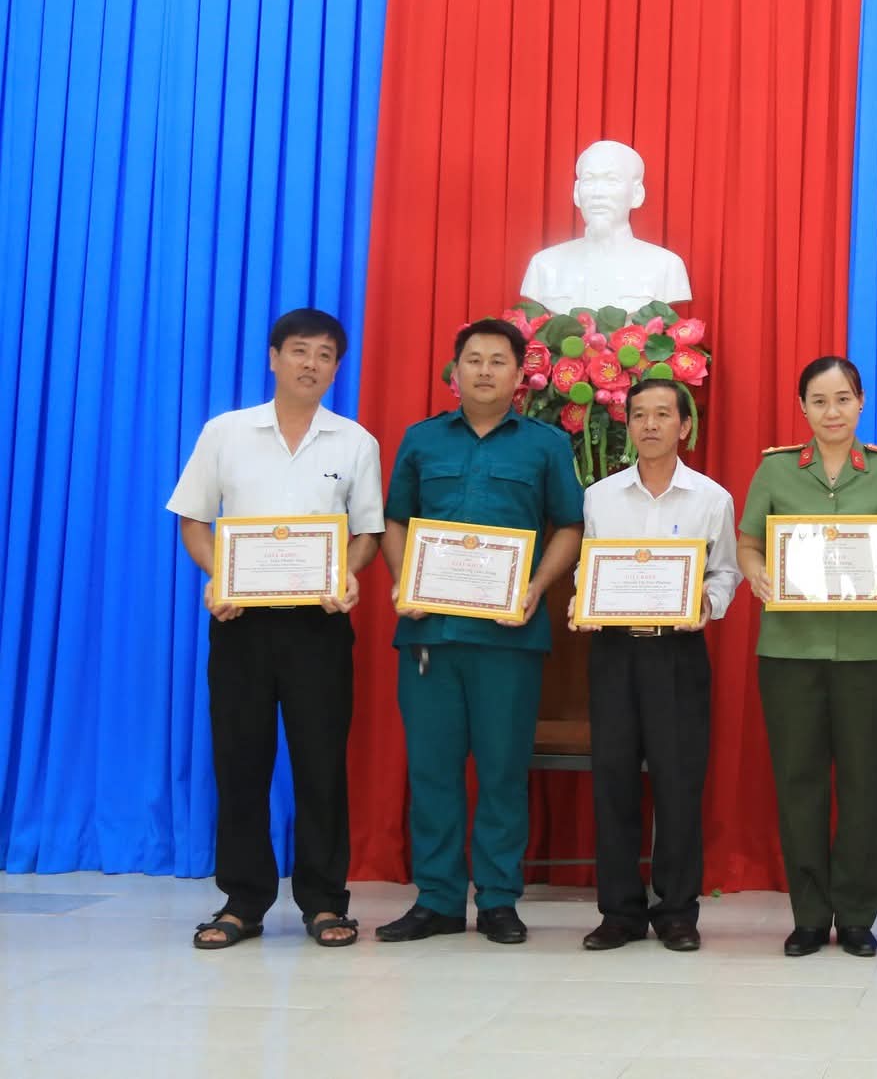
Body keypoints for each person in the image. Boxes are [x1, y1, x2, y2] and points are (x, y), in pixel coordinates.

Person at [167, 309, 384, 949]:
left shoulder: (355, 442)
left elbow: (368, 533)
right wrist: (220, 577)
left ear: (336, 368)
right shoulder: (225, 432)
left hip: (320, 627)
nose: (310, 364)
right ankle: (242, 901)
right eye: (299, 350)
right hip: (242, 624)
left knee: (321, 766)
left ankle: (325, 902)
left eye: (324, 354)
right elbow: (194, 521)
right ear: (273, 357)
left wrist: (349, 575)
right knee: (240, 762)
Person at [374, 317, 585, 945]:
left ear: (520, 375)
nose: (485, 370)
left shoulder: (546, 445)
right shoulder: (421, 440)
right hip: (430, 636)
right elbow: (395, 521)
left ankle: (497, 899)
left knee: (502, 772)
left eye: (498, 360)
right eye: (474, 359)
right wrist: (404, 581)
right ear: (455, 370)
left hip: (508, 637)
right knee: (433, 772)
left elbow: (570, 527)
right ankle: (437, 899)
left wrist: (535, 588)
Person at [736, 356, 877, 958]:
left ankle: (856, 916)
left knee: (863, 784)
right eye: (819, 401)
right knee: (799, 783)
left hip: (872, 653)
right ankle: (808, 915)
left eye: (843, 399)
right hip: (789, 649)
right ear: (803, 407)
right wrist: (757, 574)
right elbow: (748, 542)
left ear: (861, 402)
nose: (832, 412)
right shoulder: (775, 470)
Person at [572, 378, 740, 952]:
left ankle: (676, 912)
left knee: (678, 784)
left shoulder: (711, 498)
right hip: (614, 652)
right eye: (639, 414)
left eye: (662, 414)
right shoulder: (601, 497)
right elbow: (590, 564)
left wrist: (707, 604)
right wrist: (583, 598)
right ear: (628, 426)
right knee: (613, 782)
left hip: (677, 653)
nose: (649, 424)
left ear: (684, 426)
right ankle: (619, 912)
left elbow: (725, 572)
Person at [519, 140, 692, 312]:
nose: (598, 193)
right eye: (589, 180)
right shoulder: (544, 265)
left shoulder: (667, 267)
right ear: (576, 192)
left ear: (637, 193)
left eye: (612, 181)